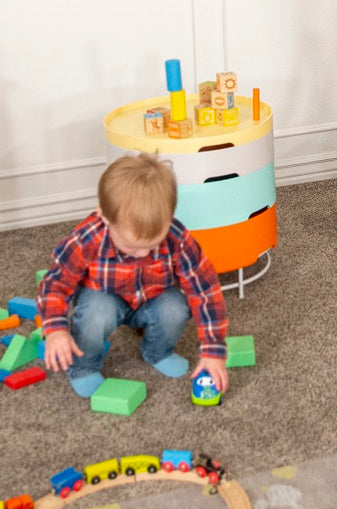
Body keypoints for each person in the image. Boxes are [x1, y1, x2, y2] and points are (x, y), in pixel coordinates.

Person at [37, 152, 229, 399]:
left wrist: (214, 350)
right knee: (96, 313)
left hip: (153, 298)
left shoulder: (177, 237)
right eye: (131, 246)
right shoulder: (87, 238)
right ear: (105, 217)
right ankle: (84, 367)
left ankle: (158, 352)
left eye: (152, 244)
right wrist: (55, 329)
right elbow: (55, 284)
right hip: (104, 298)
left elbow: (205, 291)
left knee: (176, 307)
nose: (143, 253)